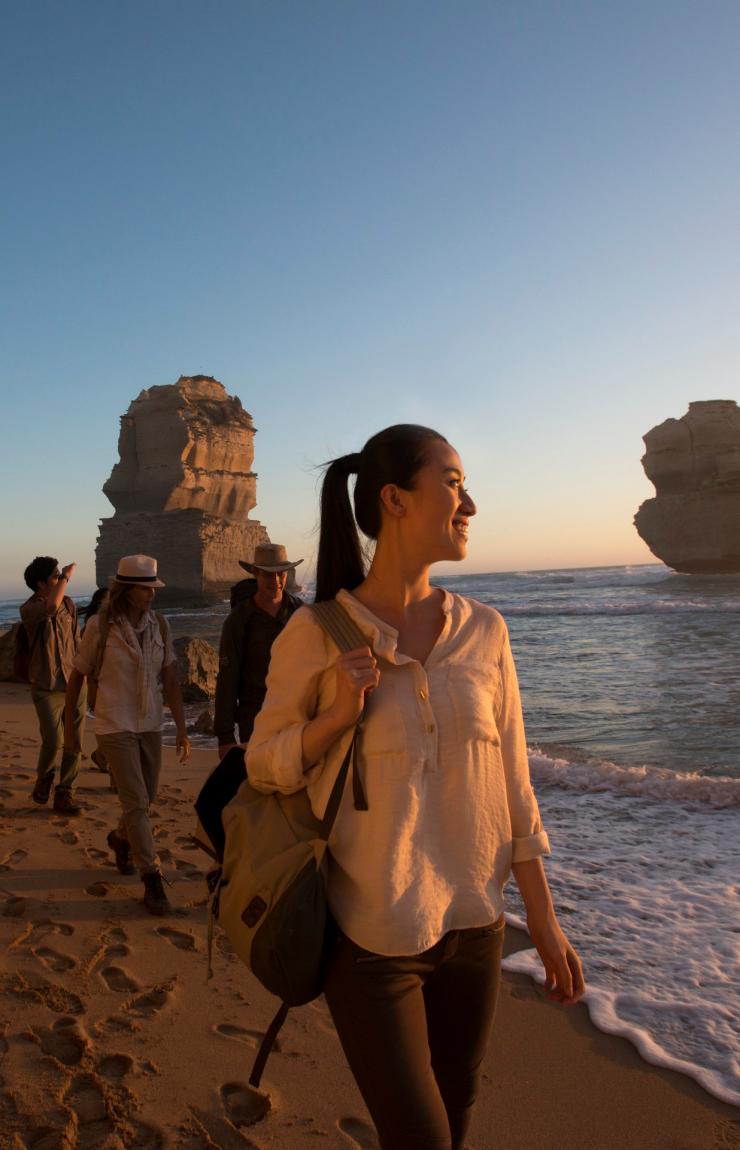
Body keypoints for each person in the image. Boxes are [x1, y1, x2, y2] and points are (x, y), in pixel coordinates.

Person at [247, 425, 585, 1150]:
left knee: (455, 1117)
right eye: (455, 482)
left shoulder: (486, 632)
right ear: (394, 499)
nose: (471, 504)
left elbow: (513, 785)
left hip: (476, 927)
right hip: (372, 940)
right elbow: (264, 763)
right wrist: (336, 718)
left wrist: (544, 921)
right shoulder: (318, 631)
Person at [64, 555, 191, 916]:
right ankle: (152, 879)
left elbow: (169, 680)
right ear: (125, 591)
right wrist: (72, 731)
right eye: (145, 589)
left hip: (150, 723)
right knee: (136, 802)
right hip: (113, 723)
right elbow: (77, 676)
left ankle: (120, 839)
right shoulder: (100, 628)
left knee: (146, 799)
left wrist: (181, 729)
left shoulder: (159, 626)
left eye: (153, 588)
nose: (152, 594)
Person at [214, 543, 303, 758]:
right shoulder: (238, 621)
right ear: (255, 573)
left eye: (281, 574)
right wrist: (225, 737)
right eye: (268, 575)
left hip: (297, 717)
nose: (276, 581)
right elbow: (227, 678)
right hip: (255, 721)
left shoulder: (300, 613)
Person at [21, 556, 86, 815]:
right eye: (55, 577)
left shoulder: (69, 605)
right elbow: (50, 607)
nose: (60, 580)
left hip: (74, 683)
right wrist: (68, 576)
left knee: (75, 741)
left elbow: (78, 642)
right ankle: (44, 778)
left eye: (61, 576)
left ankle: (65, 793)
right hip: (45, 685)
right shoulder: (29, 609)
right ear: (40, 583)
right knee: (54, 739)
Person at [80, 588, 110, 772]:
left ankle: (102, 756)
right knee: (109, 726)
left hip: (111, 684)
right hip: (97, 685)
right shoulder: (90, 628)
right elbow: (85, 664)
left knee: (113, 726)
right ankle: (104, 758)